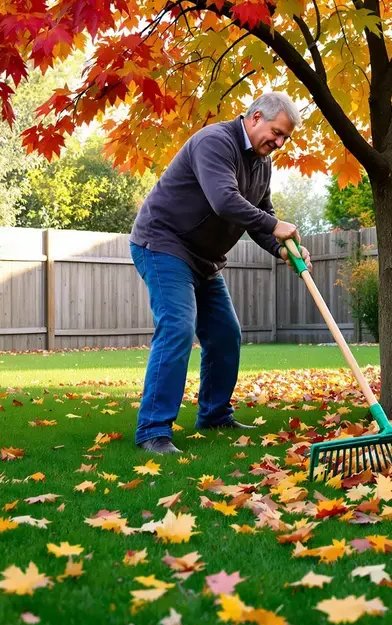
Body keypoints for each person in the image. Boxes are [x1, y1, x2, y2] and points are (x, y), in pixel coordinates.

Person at [128, 92, 312, 454]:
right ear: (255, 117)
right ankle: (153, 430)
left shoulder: (262, 164)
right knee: (178, 327)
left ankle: (214, 414)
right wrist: (277, 226)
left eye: (284, 138)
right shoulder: (215, 142)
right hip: (164, 244)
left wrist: (281, 248)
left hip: (204, 258)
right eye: (276, 132)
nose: (278, 142)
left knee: (226, 333)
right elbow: (225, 201)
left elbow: (260, 218)